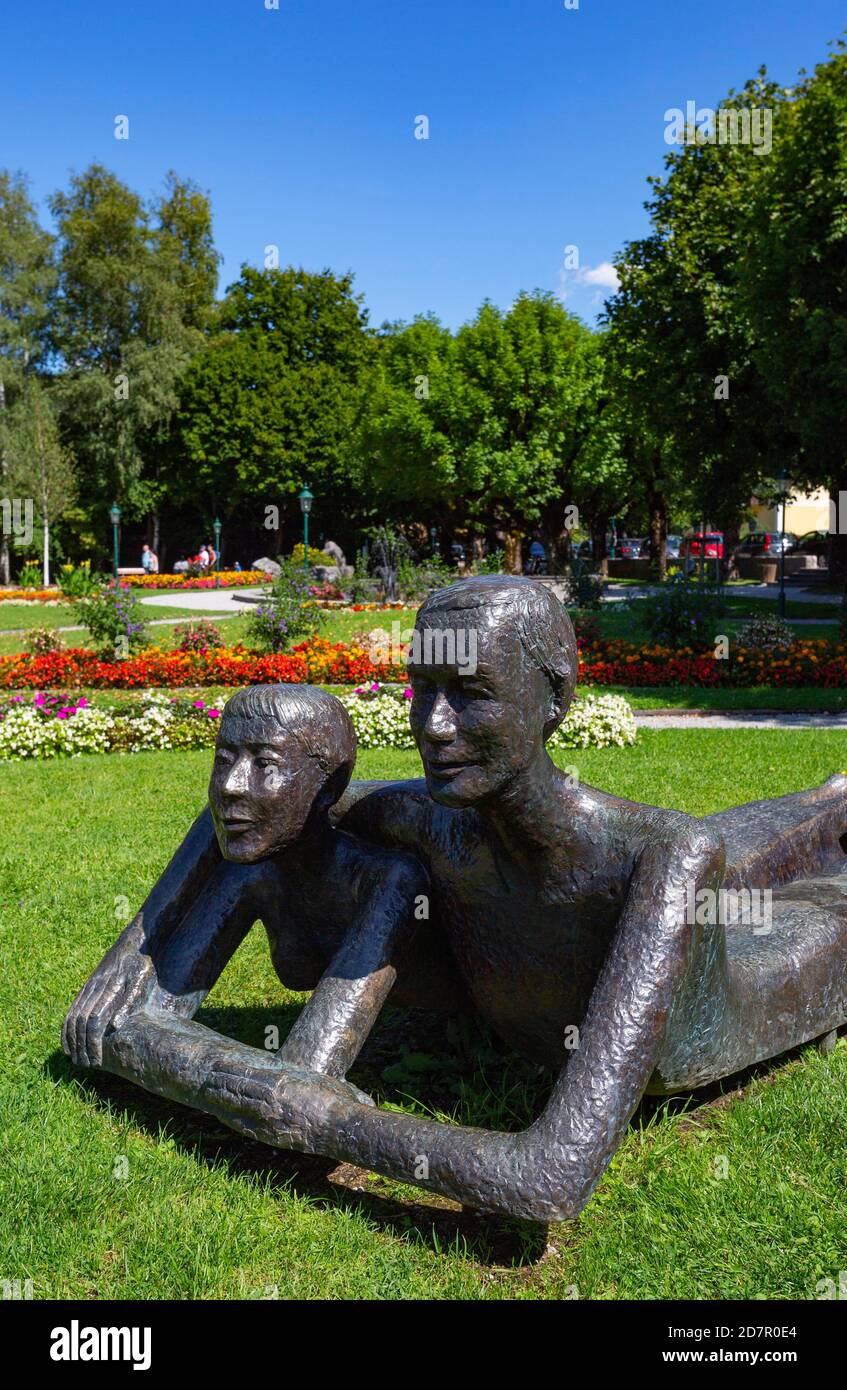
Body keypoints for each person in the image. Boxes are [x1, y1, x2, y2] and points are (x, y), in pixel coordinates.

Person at [63, 578, 847, 1221]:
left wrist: (323, 1115)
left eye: (468, 694)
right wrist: (134, 956)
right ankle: (830, 795)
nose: (433, 727)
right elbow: (261, 810)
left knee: (786, 884)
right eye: (421, 690)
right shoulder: (426, 819)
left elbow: (548, 1176)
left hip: (765, 976)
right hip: (644, 873)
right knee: (749, 834)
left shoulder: (662, 856)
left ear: (554, 699)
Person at [63, 686, 430, 1116]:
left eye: (265, 764)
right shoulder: (254, 869)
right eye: (223, 761)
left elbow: (307, 1074)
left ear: (327, 788)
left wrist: (225, 1075)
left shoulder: (387, 881)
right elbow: (126, 1025)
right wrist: (256, 1084)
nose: (232, 786)